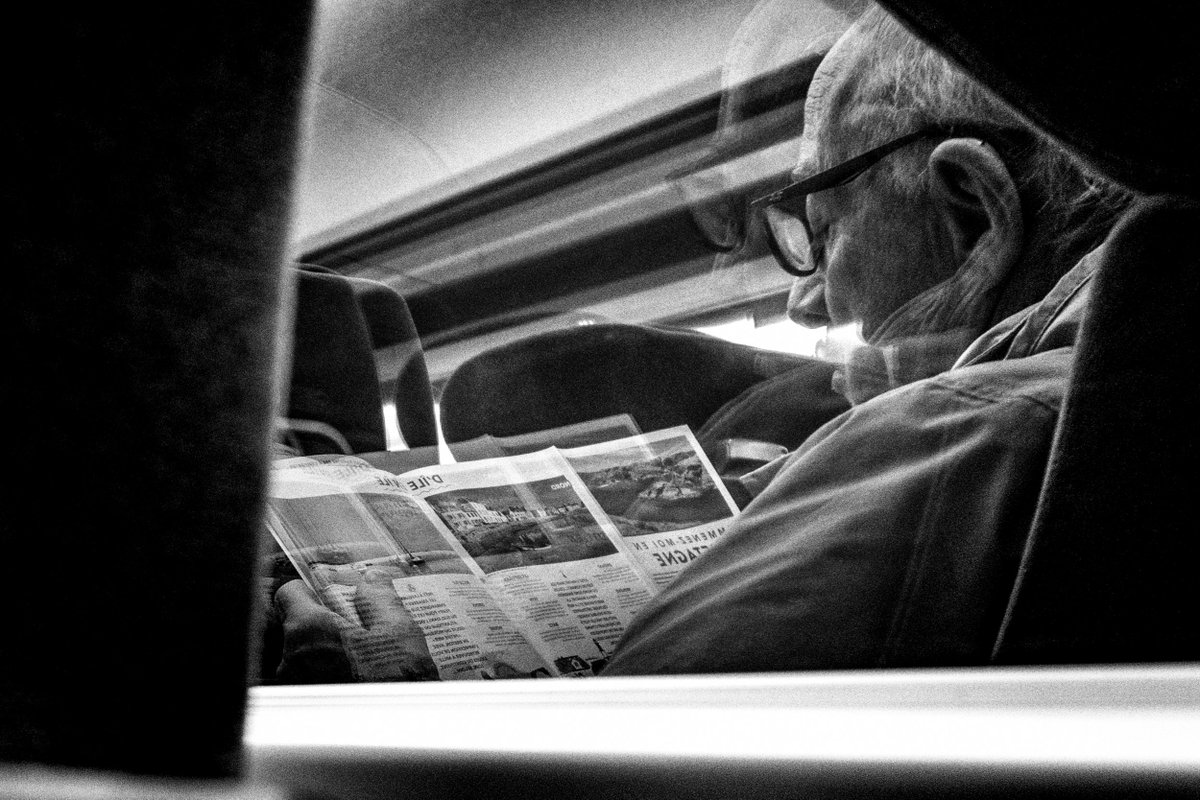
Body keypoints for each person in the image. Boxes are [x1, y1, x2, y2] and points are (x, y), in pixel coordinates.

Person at [600, 3, 1131, 674]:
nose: (803, 302)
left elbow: (638, 715)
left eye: (820, 235)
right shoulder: (1129, 405)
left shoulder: (947, 435)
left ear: (973, 215)